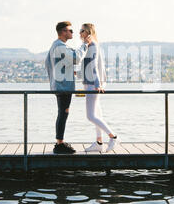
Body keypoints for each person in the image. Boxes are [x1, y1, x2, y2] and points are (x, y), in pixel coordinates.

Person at [45, 21, 92, 154]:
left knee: (63, 113)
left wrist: (68, 70)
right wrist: (85, 44)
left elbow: (51, 64)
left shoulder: (56, 46)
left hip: (59, 85)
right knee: (63, 113)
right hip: (63, 86)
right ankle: (59, 144)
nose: (72, 33)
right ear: (63, 32)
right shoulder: (60, 46)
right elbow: (76, 58)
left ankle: (59, 142)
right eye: (70, 31)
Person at [79, 23, 119, 153]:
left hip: (92, 84)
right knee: (97, 114)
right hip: (89, 83)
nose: (79, 33)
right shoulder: (88, 46)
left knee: (90, 116)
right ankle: (99, 142)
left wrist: (97, 84)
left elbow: (94, 66)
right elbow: (86, 66)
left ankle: (113, 137)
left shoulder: (93, 46)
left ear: (89, 32)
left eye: (82, 31)